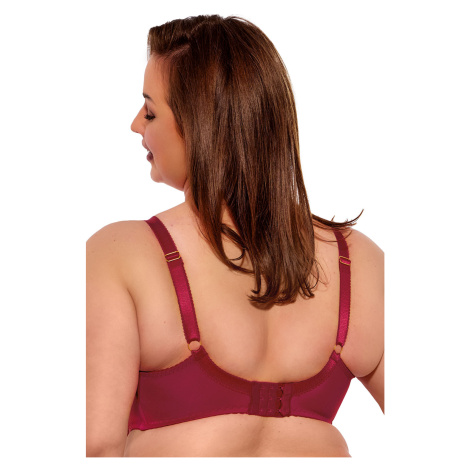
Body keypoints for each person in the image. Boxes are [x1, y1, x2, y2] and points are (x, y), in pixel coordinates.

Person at [86, 14, 384, 458]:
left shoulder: (122, 255)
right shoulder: (358, 262)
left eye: (150, 111)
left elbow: (96, 449)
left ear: (199, 123)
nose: (135, 124)